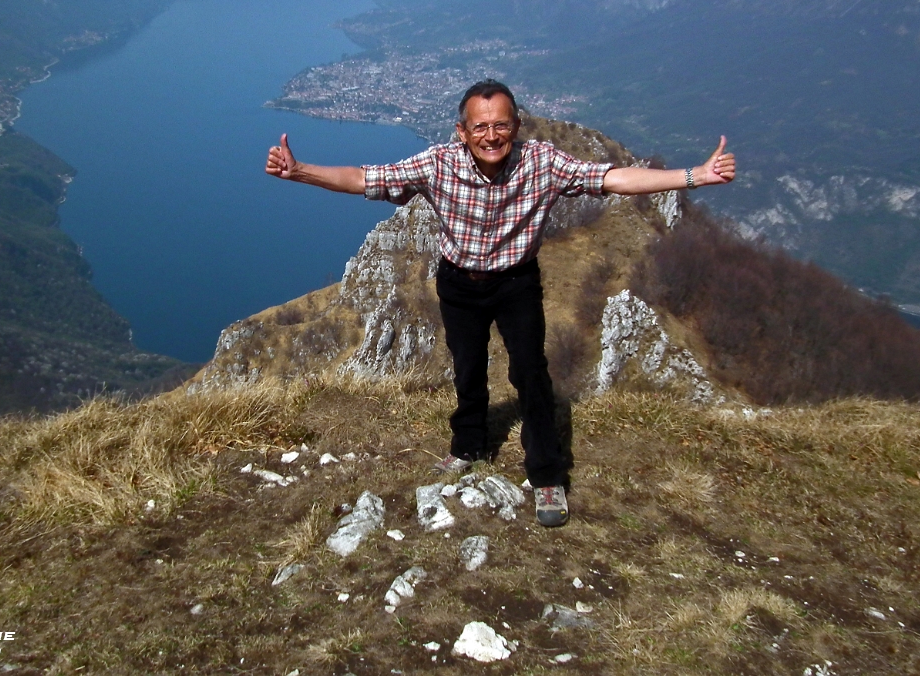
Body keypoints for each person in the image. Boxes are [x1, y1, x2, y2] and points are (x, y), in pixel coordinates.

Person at [265, 79, 735, 526]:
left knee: (530, 372)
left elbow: (611, 178)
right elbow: (364, 178)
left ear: (516, 126)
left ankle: (547, 475)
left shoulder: (542, 163)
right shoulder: (439, 163)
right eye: (480, 126)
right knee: (467, 367)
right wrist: (299, 170)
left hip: (516, 283)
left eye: (501, 125)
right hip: (460, 283)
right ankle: (468, 446)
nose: (491, 136)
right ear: (462, 131)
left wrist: (694, 175)